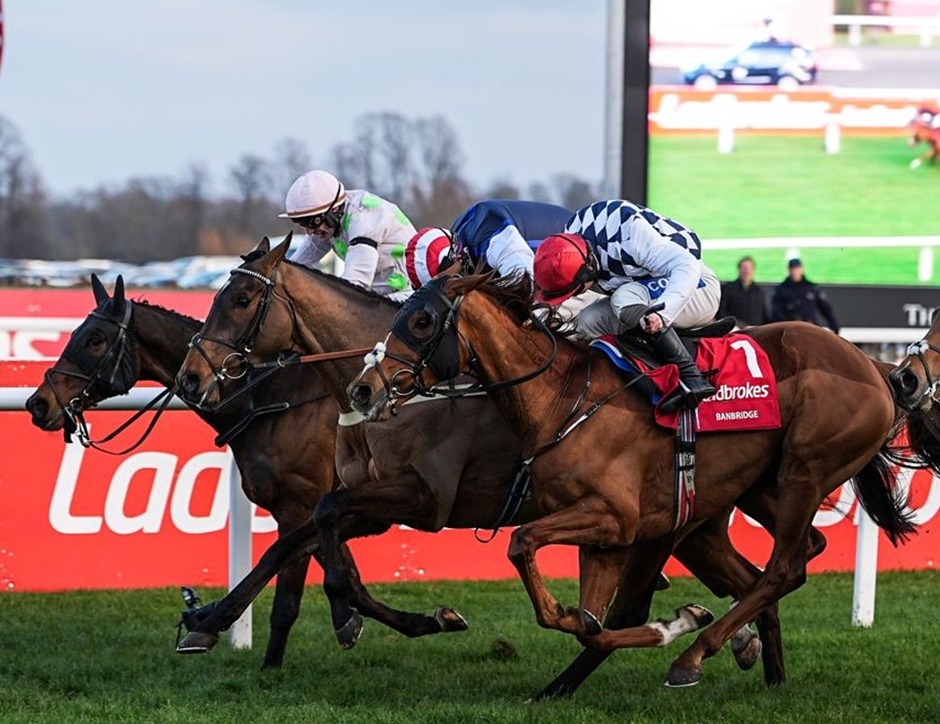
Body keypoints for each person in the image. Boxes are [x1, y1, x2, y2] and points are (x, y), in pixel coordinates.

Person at [532, 199, 721, 413]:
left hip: (698, 285)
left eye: (574, 290)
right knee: (588, 320)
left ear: (588, 270)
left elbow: (686, 266)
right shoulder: (567, 245)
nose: (572, 296)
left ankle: (691, 377)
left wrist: (663, 314)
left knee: (623, 297)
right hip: (649, 288)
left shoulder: (630, 236)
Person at [280, 170, 415, 301]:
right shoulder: (329, 223)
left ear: (334, 210)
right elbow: (296, 268)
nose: (309, 231)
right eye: (303, 224)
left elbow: (354, 285)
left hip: (408, 293)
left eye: (312, 222)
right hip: (381, 297)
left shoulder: (363, 216)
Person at [403, 199, 573, 289]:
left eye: (444, 281)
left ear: (454, 257)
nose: (446, 288)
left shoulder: (486, 229)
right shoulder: (459, 241)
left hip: (578, 256)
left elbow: (526, 280)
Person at [771, 258, 840, 333]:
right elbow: (776, 312)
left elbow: (825, 308)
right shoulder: (781, 289)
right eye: (793, 269)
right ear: (789, 270)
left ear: (802, 269)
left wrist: (834, 325)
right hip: (790, 330)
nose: (795, 271)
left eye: (797, 268)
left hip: (810, 328)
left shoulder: (812, 288)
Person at [717, 255, 769, 328]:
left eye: (749, 268)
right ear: (739, 269)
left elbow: (763, 315)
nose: (746, 271)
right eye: (744, 268)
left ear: (753, 270)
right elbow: (721, 313)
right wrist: (736, 324)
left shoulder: (758, 291)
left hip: (755, 331)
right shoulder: (729, 289)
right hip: (735, 330)